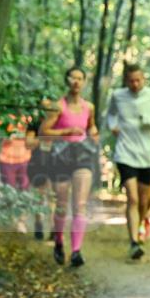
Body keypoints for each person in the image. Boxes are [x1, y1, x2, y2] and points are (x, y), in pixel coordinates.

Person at [106, 63, 150, 259]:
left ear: (144, 79)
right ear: (126, 81)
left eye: (138, 80)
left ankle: (142, 222)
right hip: (125, 154)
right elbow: (110, 114)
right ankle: (134, 242)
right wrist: (113, 126)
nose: (135, 84)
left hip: (148, 156)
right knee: (132, 199)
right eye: (131, 81)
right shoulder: (118, 96)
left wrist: (149, 120)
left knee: (144, 201)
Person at [39, 67, 99, 267]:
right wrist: (66, 131)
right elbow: (43, 131)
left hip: (82, 155)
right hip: (61, 156)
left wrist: (94, 133)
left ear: (84, 82)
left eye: (80, 78)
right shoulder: (58, 106)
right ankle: (58, 242)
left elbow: (91, 126)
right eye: (73, 77)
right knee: (62, 206)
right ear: (67, 80)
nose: (76, 82)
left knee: (80, 205)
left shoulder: (88, 106)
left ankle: (76, 251)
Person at [25, 98, 59, 240]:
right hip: (37, 163)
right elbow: (28, 143)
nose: (47, 110)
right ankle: (38, 224)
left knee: (53, 196)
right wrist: (42, 138)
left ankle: (52, 227)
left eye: (49, 107)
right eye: (44, 108)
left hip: (56, 163)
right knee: (39, 196)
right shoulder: (34, 124)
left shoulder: (59, 124)